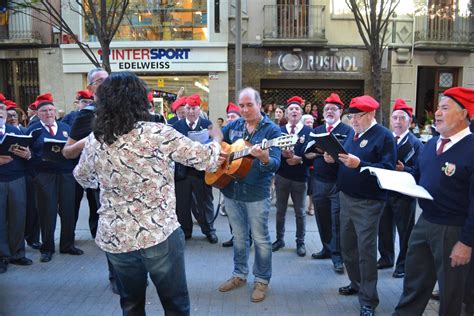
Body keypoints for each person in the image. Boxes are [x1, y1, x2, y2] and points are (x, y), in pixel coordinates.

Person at [73, 71, 222, 315]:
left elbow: (82, 177)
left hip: (117, 237)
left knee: (131, 306)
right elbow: (207, 159)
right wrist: (216, 138)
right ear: (140, 100)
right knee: (175, 305)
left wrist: (109, 179)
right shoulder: (158, 133)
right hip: (159, 232)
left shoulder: (96, 139)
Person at [394, 87, 474, 316]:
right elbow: (418, 176)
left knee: (453, 292)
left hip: (454, 230)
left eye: (445, 108)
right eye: (437, 107)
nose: (437, 113)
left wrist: (466, 242)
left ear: (463, 114)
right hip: (425, 222)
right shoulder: (430, 145)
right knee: (414, 281)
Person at [325, 95, 396, 316]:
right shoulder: (352, 135)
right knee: (347, 246)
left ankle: (368, 300)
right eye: (351, 116)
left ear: (371, 114)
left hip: (369, 202)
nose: (353, 120)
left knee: (366, 252)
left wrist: (361, 164)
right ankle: (356, 284)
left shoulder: (384, 136)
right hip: (346, 198)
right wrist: (333, 158)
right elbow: (346, 159)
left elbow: (388, 168)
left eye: (358, 116)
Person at [218, 87, 281, 303]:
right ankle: (239, 274)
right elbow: (220, 144)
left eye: (249, 105)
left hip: (256, 193)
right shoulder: (234, 126)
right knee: (239, 238)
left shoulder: (272, 132)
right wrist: (220, 153)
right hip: (231, 190)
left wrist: (264, 158)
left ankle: (262, 280)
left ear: (259, 105)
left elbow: (275, 163)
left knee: (261, 240)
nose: (244, 110)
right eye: (241, 105)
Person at [62, 67, 115, 291]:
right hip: (100, 181)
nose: (104, 83)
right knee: (112, 229)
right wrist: (90, 140)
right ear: (90, 87)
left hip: (125, 178)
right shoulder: (86, 114)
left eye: (107, 80)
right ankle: (116, 277)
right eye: (99, 81)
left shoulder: (122, 109)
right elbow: (68, 151)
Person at [27, 93, 83, 263]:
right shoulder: (33, 130)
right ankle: (47, 248)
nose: (49, 113)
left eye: (51, 110)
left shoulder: (66, 127)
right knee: (47, 212)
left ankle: (67, 245)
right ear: (38, 113)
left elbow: (74, 150)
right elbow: (28, 154)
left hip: (66, 174)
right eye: (44, 111)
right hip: (45, 175)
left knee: (68, 211)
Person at [306, 93, 353, 274]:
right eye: (327, 109)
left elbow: (350, 155)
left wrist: (335, 158)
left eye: (334, 109)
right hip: (318, 181)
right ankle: (326, 248)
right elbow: (306, 153)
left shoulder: (347, 131)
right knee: (322, 218)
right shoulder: (316, 131)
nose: (330, 111)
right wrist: (315, 154)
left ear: (340, 112)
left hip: (337, 183)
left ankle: (338, 256)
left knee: (336, 221)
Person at [377, 99, 423, 278]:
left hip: (404, 194)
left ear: (409, 121)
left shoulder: (416, 143)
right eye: (394, 117)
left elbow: (419, 171)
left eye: (401, 118)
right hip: (386, 191)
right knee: (384, 228)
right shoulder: (387, 138)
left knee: (405, 232)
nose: (397, 121)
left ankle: (403, 264)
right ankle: (386, 258)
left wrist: (405, 169)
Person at [173, 94, 218, 243]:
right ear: (184, 110)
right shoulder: (177, 126)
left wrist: (211, 144)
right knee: (182, 204)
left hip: (201, 172)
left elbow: (217, 140)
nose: (191, 111)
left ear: (200, 109)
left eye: (194, 108)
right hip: (182, 172)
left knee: (205, 202)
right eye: (188, 108)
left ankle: (209, 230)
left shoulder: (207, 124)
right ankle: (186, 231)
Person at [272, 96, 311, 257]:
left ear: (301, 113)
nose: (294, 111)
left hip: (300, 177)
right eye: (291, 109)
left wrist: (300, 159)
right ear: (286, 114)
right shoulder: (279, 131)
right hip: (282, 176)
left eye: (297, 109)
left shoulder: (309, 131)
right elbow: (272, 152)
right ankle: (279, 239)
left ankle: (300, 242)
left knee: (300, 212)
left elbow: (313, 153)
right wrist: (282, 154)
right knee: (280, 210)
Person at [0, 98, 34, 273]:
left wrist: (28, 154)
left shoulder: (17, 131)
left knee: (18, 218)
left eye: (2, 109)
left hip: (17, 179)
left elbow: (29, 158)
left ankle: (17, 253)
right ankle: (2, 256)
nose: (0, 112)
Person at [221, 102, 243, 248]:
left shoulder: (246, 129)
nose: (229, 118)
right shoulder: (226, 130)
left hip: (243, 173)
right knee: (231, 209)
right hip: (229, 173)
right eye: (228, 116)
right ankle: (234, 236)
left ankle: (246, 237)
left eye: (232, 116)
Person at [301, 114, 316, 216]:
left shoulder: (316, 133)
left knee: (311, 187)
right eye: (308, 122)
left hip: (312, 165)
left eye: (311, 122)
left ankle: (311, 206)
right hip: (302, 163)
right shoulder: (301, 133)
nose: (310, 124)